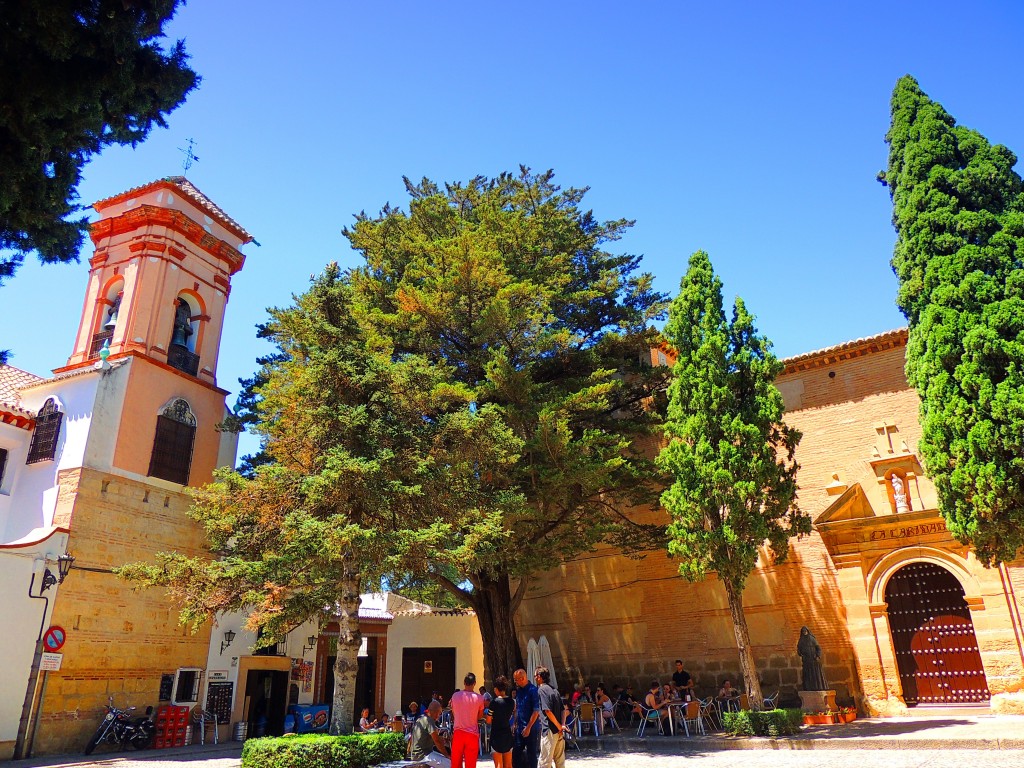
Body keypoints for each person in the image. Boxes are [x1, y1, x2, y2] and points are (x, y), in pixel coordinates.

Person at [450, 672, 486, 768]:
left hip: (458, 733)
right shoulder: (479, 698)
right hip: (472, 734)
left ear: (464, 682)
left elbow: (454, 713)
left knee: (456, 763)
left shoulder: (455, 696)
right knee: (470, 764)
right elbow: (480, 716)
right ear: (474, 683)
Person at [535, 666, 565, 768]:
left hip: (549, 730)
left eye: (535, 676)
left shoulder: (542, 690)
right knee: (560, 762)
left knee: (544, 762)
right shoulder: (555, 690)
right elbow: (563, 710)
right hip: (559, 731)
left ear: (539, 677)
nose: (535, 678)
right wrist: (562, 725)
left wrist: (558, 726)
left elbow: (547, 711)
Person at [512, 668, 540, 768]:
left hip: (531, 728)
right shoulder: (519, 691)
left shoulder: (533, 690)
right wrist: (515, 723)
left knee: (531, 754)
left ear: (522, 678)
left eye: (516, 680)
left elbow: (536, 710)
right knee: (516, 754)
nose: (515, 682)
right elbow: (518, 708)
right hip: (519, 727)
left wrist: (528, 727)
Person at [410, 700, 452, 767]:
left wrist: (442, 739)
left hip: (416, 755)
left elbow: (429, 738)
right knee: (450, 764)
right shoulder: (429, 720)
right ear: (435, 712)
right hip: (423, 756)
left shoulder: (421, 718)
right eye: (439, 713)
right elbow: (437, 741)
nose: (439, 716)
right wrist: (447, 755)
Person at [487, 675, 515, 768]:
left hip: (496, 735)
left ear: (496, 689)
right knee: (508, 764)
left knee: (499, 765)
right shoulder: (511, 702)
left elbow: (488, 720)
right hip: (507, 734)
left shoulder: (494, 703)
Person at [797, 626, 829, 691]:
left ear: (807, 631)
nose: (804, 632)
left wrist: (818, 656)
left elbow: (818, 648)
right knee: (808, 676)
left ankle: (819, 687)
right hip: (806, 661)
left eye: (805, 630)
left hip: (814, 660)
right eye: (803, 631)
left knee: (816, 675)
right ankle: (808, 688)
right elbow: (799, 649)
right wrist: (800, 653)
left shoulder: (812, 639)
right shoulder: (801, 640)